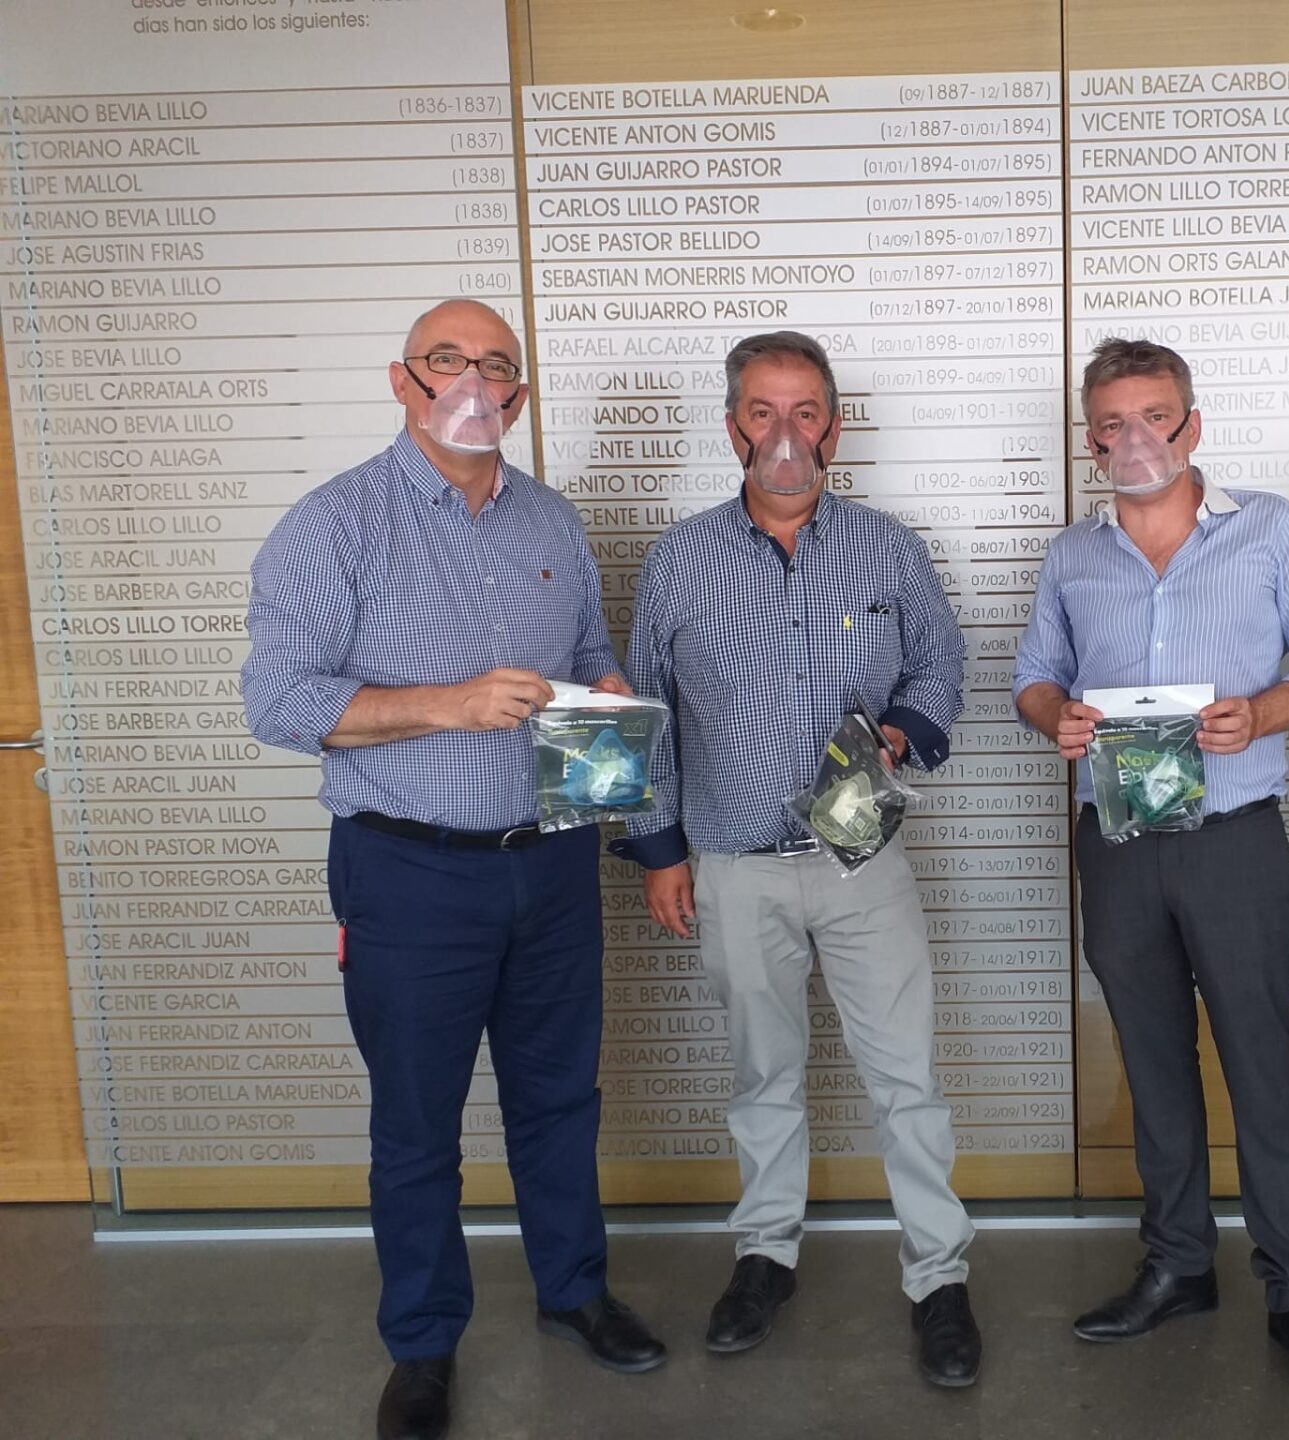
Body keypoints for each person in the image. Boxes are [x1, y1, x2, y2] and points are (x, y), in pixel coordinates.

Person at [243, 299, 662, 1440]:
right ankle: (423, 1344)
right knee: (418, 1122)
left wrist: (607, 695)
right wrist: (450, 704)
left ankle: (575, 1290)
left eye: (495, 366)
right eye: (447, 360)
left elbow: (590, 655)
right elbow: (276, 703)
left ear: (519, 397)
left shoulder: (551, 519)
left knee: (559, 1099)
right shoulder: (335, 525)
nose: (472, 382)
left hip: (554, 865)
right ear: (404, 381)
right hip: (409, 873)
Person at [614, 331, 981, 1387]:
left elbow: (940, 661)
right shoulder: (681, 558)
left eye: (806, 411)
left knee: (905, 1079)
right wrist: (659, 853)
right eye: (764, 412)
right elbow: (648, 711)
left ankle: (939, 1277)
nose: (786, 433)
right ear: (733, 427)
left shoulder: (886, 548)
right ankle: (764, 1256)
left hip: (862, 856)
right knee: (762, 1075)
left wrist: (903, 731)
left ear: (834, 428)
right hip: (733, 862)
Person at [1013, 337, 1289, 1410]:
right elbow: (1034, 676)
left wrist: (1263, 711)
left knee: (1263, 1064)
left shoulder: (1269, 530)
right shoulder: (1073, 556)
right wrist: (1055, 717)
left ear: (1192, 425)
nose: (1135, 439)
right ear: (1091, 441)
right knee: (1153, 1061)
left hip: (1232, 838)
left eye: (1154, 417)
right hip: (1118, 841)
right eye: (1112, 424)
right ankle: (1177, 1265)